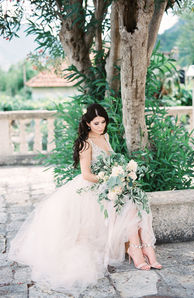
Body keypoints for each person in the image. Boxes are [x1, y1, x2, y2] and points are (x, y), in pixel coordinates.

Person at [8, 103, 162, 295]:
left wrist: (121, 176)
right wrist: (110, 180)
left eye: (103, 122)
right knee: (128, 203)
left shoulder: (105, 136)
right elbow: (87, 174)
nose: (101, 126)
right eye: (96, 123)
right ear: (88, 123)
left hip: (109, 183)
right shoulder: (86, 143)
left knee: (137, 200)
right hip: (93, 186)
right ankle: (137, 251)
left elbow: (112, 160)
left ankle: (144, 249)